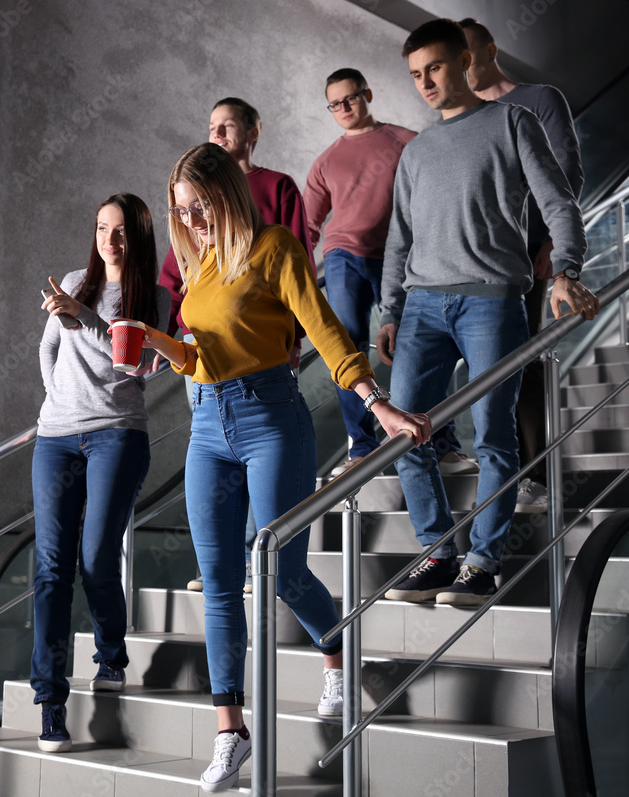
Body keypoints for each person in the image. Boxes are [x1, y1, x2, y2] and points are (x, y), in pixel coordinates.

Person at [142, 143, 430, 792]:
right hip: (209, 429)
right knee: (217, 581)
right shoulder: (200, 266)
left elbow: (323, 327)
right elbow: (200, 359)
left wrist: (374, 400)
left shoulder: (274, 247)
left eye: (202, 206)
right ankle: (230, 732)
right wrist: (166, 343)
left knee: (279, 566)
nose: (193, 221)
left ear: (227, 195)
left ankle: (337, 656)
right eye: (182, 212)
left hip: (272, 420)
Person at [379, 19, 598, 608]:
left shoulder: (512, 121)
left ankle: (482, 563)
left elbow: (558, 202)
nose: (425, 82)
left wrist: (566, 270)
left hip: (492, 301)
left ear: (465, 62)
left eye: (436, 68)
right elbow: (399, 237)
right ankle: (436, 553)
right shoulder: (417, 150)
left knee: (494, 438)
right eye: (416, 74)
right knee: (405, 435)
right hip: (422, 307)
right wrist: (389, 309)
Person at [158, 96, 316, 593]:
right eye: (211, 126)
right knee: (218, 455)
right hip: (207, 381)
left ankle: (256, 560)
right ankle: (230, 561)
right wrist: (153, 339)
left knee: (281, 567)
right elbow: (173, 280)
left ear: (252, 131)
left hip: (261, 368)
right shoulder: (194, 222)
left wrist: (291, 336)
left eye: (227, 126)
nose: (218, 133)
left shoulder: (275, 192)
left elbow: (300, 277)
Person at [31, 192, 171, 753]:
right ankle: (51, 705)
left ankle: (111, 651)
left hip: (118, 435)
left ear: (136, 238)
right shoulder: (73, 279)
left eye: (119, 232)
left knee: (94, 557)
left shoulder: (155, 297)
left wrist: (83, 316)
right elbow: (47, 349)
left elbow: (132, 362)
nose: (108, 241)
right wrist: (62, 402)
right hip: (56, 438)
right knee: (49, 570)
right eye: (100, 229)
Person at [460, 17, 586, 513]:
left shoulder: (539, 99)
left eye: (470, 54)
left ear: (491, 49)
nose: (464, 67)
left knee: (524, 360)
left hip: (529, 255)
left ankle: (535, 477)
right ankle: (502, 472)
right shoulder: (465, 117)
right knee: (486, 369)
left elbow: (568, 173)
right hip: (478, 263)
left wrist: (554, 245)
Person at [304, 69, 452, 477]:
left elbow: (437, 196)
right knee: (347, 343)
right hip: (342, 256)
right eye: (335, 104)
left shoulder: (405, 141)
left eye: (350, 98)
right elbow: (308, 227)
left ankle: (441, 439)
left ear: (367, 94)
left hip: (399, 255)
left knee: (420, 342)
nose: (344, 109)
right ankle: (362, 446)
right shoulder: (326, 161)